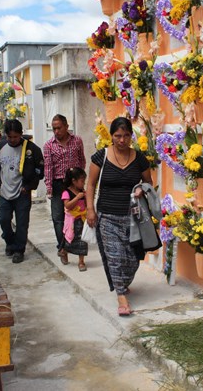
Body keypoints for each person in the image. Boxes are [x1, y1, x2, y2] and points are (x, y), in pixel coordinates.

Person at [86, 117, 152, 317]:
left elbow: (149, 183)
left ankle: (123, 282)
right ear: (111, 136)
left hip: (133, 217)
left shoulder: (140, 158)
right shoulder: (101, 157)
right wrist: (90, 209)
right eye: (117, 136)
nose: (122, 140)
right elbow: (90, 184)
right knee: (115, 257)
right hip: (107, 216)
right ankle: (121, 296)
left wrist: (141, 188)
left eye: (125, 136)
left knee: (132, 259)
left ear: (131, 135)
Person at [0, 119, 44, 264]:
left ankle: (19, 250)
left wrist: (28, 186)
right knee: (3, 219)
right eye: (10, 137)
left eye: (16, 137)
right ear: (5, 135)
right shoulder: (1, 146)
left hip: (22, 193)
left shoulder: (32, 149)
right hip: (4, 192)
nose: (13, 140)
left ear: (21, 134)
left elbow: (40, 171)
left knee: (22, 223)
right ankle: (10, 242)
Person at [43, 114, 86, 254]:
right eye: (54, 129)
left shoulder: (77, 141)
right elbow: (48, 167)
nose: (56, 131)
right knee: (58, 217)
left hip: (73, 184)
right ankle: (62, 246)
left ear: (67, 126)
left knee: (77, 214)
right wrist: (49, 187)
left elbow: (82, 160)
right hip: (58, 184)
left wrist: (79, 182)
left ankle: (76, 243)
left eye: (59, 128)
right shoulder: (49, 145)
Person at [59, 167, 88, 271]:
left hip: (82, 220)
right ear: (74, 181)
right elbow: (67, 206)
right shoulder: (66, 192)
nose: (83, 183)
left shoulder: (82, 192)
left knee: (83, 241)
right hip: (72, 222)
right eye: (82, 181)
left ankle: (81, 261)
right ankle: (64, 251)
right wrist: (77, 198)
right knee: (69, 240)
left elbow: (86, 204)